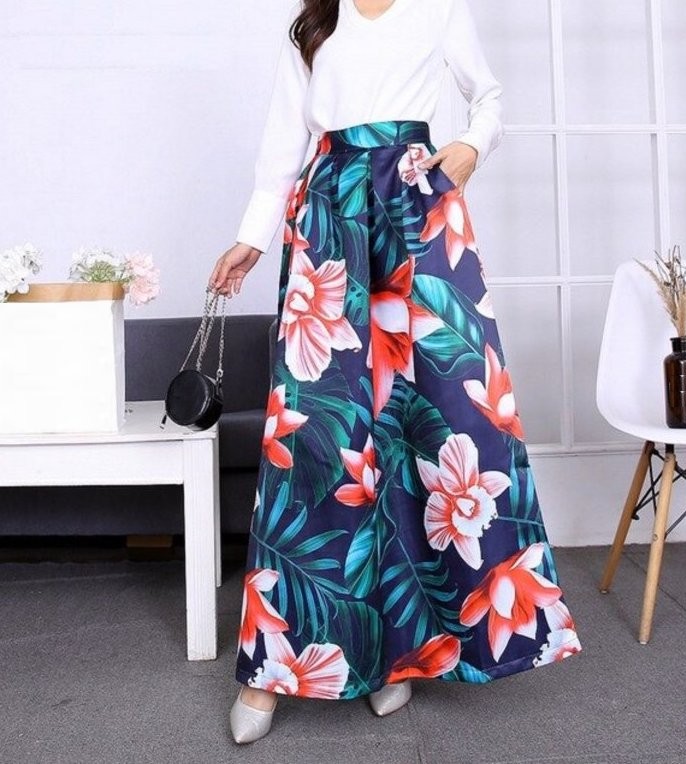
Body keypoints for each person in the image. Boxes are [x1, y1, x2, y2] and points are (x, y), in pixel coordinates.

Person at [209, 0, 582, 745]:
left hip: (416, 208)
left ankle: (399, 653)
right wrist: (251, 237)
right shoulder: (312, 24)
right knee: (317, 435)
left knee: (439, 422)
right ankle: (270, 672)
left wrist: (470, 145)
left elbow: (488, 94)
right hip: (331, 218)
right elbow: (282, 142)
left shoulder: (437, 8)